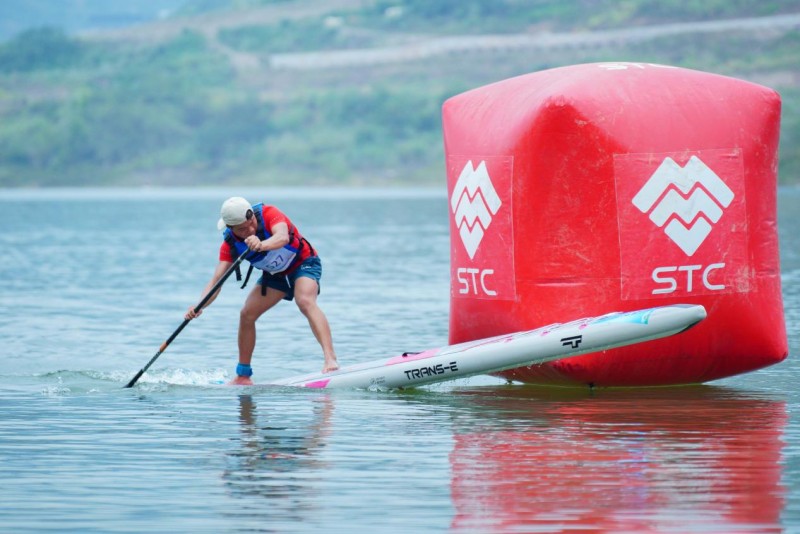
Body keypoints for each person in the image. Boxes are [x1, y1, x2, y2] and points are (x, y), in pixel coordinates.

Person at [186, 197, 338, 385]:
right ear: (230, 228)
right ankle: (243, 375)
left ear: (252, 215)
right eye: (241, 229)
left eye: (251, 224)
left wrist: (262, 244)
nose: (249, 230)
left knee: (304, 300)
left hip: (303, 262)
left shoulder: (269, 214)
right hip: (275, 275)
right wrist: (200, 305)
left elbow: (282, 237)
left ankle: (330, 359)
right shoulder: (230, 245)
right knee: (247, 314)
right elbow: (216, 281)